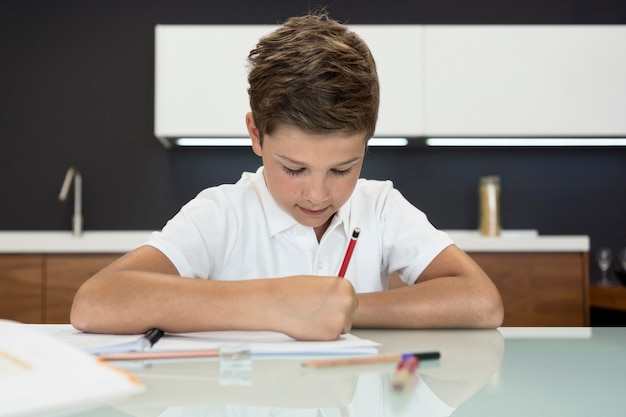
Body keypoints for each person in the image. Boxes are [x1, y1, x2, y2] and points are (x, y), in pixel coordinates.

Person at [70, 11, 503, 340]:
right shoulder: (223, 212)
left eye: (342, 168)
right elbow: (95, 302)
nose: (317, 193)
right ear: (256, 135)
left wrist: (344, 308)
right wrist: (275, 304)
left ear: (366, 144)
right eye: (293, 168)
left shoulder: (381, 206)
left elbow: (482, 302)